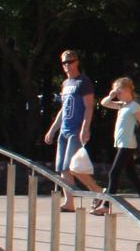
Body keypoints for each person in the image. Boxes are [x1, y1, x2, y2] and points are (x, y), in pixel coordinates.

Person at [41, 50, 98, 212]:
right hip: (64, 131)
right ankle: (69, 202)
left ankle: (97, 191)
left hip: (76, 130)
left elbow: (89, 107)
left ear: (77, 61)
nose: (67, 65)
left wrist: (85, 128)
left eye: (70, 61)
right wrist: (52, 130)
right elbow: (63, 109)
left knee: (73, 167)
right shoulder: (66, 84)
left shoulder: (84, 82)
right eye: (64, 62)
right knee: (62, 168)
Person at [95, 76, 140, 215]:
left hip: (127, 145)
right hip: (121, 144)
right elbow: (104, 103)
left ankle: (106, 204)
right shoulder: (122, 105)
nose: (118, 93)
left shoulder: (134, 106)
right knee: (132, 175)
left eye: (119, 90)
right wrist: (112, 94)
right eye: (117, 91)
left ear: (128, 89)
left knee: (113, 173)